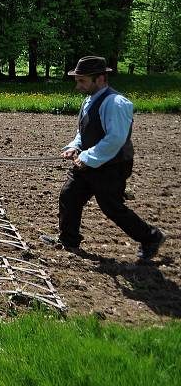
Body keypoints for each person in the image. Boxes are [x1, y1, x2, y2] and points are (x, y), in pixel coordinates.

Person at [41, 56, 166, 260]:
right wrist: (75, 147)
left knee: (111, 207)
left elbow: (115, 139)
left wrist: (87, 157)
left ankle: (152, 237)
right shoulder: (89, 100)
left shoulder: (116, 103)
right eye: (77, 80)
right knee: (69, 195)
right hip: (89, 161)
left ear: (100, 79)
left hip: (112, 165)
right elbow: (84, 131)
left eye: (82, 80)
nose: (78, 85)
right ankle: (68, 240)